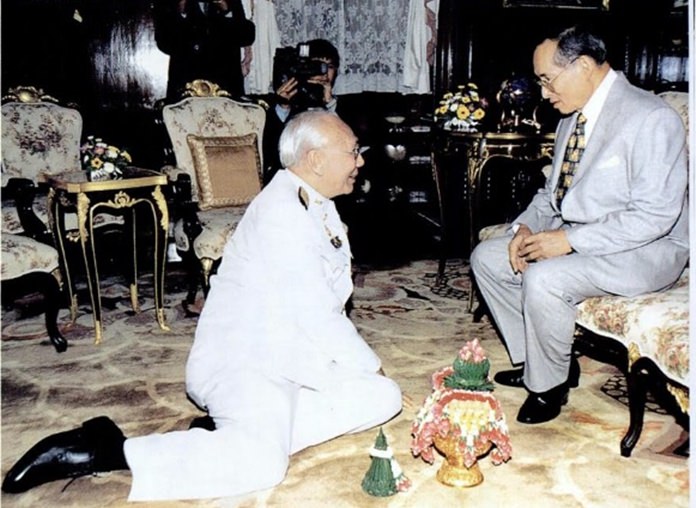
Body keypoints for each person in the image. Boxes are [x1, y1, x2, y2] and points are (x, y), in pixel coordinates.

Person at [2, 111, 402, 501]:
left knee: (383, 397)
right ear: (315, 159)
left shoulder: (313, 201)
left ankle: (232, 434)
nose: (361, 161)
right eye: (353, 151)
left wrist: (365, 373)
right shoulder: (284, 215)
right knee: (263, 465)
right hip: (247, 362)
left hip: (293, 357)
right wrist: (368, 363)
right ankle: (104, 448)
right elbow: (318, 315)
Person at [470, 25, 688, 425]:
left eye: (547, 79)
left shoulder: (651, 118)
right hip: (587, 239)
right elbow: (553, 195)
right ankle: (543, 363)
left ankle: (547, 388)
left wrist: (568, 240)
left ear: (584, 66)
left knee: (546, 278)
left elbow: (655, 215)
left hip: (645, 250)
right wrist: (523, 229)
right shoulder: (574, 114)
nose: (544, 92)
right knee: (488, 256)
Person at [263, 39, 342, 184]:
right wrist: (283, 106)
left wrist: (329, 104)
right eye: (316, 65)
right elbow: (272, 152)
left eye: (328, 66)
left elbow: (343, 146)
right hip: (293, 175)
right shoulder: (289, 100)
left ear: (336, 71)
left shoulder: (340, 106)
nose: (322, 71)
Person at [153, 0, 256, 99]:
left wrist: (226, 11)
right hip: (186, 90)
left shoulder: (230, 2)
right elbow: (164, 42)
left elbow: (247, 36)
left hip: (226, 88)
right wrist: (181, 11)